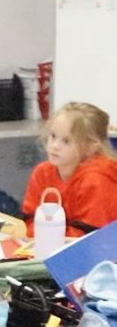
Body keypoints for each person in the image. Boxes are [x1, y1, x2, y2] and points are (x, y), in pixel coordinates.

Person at [21, 101, 117, 237]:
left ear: (90, 147)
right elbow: (29, 221)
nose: (54, 145)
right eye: (53, 136)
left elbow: (88, 238)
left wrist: (46, 236)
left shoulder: (96, 180)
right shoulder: (42, 172)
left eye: (66, 141)